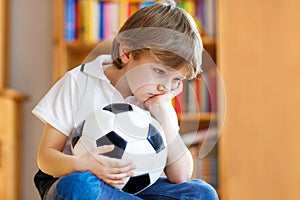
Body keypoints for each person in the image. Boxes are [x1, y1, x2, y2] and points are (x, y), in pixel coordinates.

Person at [32, 1, 219, 199]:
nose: (165, 87)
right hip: (77, 177)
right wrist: (84, 164)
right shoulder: (78, 81)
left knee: (202, 193)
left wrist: (163, 113)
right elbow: (46, 159)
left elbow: (181, 176)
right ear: (127, 53)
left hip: (135, 188)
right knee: (80, 186)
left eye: (176, 80)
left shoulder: (158, 100)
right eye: (159, 71)